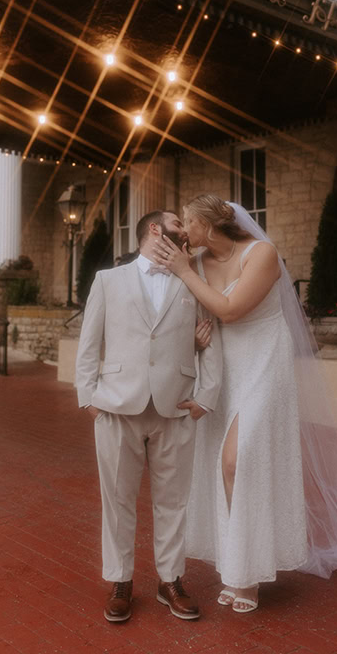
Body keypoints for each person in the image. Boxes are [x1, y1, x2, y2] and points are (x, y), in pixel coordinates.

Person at [153, 195, 337, 614]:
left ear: (208, 225)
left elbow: (230, 310)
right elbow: (191, 313)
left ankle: (248, 575)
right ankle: (238, 568)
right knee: (219, 464)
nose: (183, 233)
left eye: (188, 223)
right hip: (223, 369)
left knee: (239, 460)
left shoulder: (261, 254)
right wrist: (192, 337)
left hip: (265, 363)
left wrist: (181, 270)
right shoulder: (195, 263)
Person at [75, 209, 222, 623]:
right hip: (116, 406)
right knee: (117, 500)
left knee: (173, 502)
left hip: (175, 407)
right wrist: (88, 396)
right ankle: (121, 580)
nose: (186, 232)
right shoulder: (109, 280)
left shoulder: (193, 283)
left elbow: (210, 341)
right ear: (155, 230)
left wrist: (206, 396)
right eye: (179, 224)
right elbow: (90, 341)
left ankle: (170, 580)